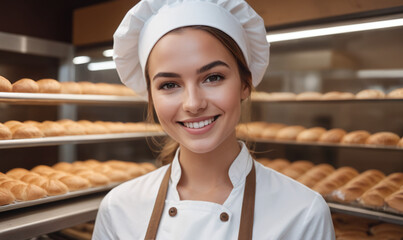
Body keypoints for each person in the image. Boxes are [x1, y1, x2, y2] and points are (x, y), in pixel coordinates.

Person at [93, 0, 335, 239]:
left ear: (244, 84)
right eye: (169, 84)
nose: (193, 103)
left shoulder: (303, 214)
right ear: (151, 97)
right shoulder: (118, 210)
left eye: (213, 78)